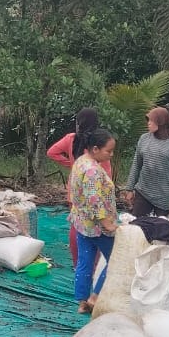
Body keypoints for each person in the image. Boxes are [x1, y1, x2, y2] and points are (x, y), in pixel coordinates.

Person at [68, 128, 118, 313]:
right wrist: (108, 224)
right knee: (115, 260)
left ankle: (82, 301)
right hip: (98, 228)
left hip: (82, 224)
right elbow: (95, 200)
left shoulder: (81, 161)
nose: (111, 155)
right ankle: (95, 297)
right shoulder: (92, 171)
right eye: (109, 151)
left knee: (84, 261)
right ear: (95, 149)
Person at [125, 107, 169, 218]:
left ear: (161, 122)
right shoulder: (144, 139)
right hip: (143, 192)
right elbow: (136, 165)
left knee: (160, 231)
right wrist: (129, 189)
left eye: (151, 120)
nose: (148, 123)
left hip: (164, 197)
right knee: (137, 226)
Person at [47, 107, 100, 172]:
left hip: (74, 181)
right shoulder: (101, 142)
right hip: (94, 181)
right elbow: (107, 172)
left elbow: (51, 153)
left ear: (78, 124)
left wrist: (72, 164)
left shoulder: (70, 139)